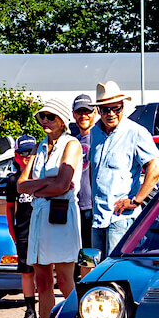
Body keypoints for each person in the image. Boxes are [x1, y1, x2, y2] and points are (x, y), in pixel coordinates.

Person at [18, 97, 83, 318]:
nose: (44, 120)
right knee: (42, 281)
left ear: (62, 120)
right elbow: (21, 184)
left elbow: (63, 184)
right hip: (39, 215)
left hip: (62, 215)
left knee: (65, 280)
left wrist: (38, 187)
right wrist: (46, 185)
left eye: (50, 116)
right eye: (42, 116)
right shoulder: (38, 146)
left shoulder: (72, 144)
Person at [89, 81, 159, 258]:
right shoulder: (94, 133)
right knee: (97, 274)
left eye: (117, 108)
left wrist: (136, 200)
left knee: (116, 274)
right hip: (98, 218)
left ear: (123, 106)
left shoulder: (135, 132)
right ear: (99, 111)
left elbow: (156, 167)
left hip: (121, 218)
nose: (111, 114)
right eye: (106, 109)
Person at [5, 134, 39, 318]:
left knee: (43, 271)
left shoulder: (41, 176)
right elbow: (10, 208)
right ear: (16, 156)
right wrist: (12, 230)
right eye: (23, 153)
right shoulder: (13, 181)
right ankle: (30, 310)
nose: (27, 157)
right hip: (23, 231)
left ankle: (45, 308)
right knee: (26, 272)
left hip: (41, 230)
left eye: (30, 153)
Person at [71, 93, 96, 249]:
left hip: (94, 207)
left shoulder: (100, 138)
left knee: (93, 253)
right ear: (74, 114)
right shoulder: (73, 142)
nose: (83, 115)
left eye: (87, 111)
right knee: (79, 253)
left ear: (94, 112)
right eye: (79, 112)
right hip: (76, 206)